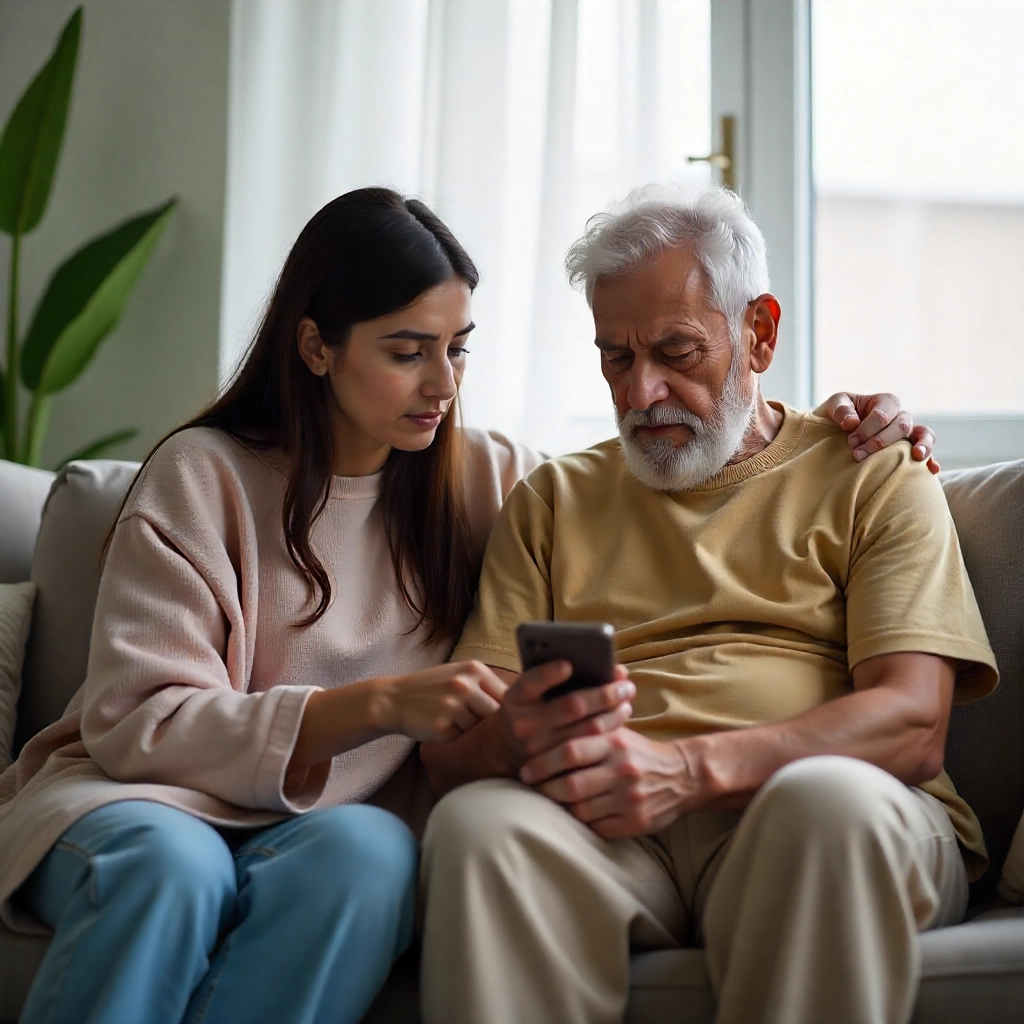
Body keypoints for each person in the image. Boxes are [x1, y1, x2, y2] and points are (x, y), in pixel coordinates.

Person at [0, 186, 933, 1024]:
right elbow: (139, 722)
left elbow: (730, 465)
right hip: (151, 793)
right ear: (317, 346)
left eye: (456, 351)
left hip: (331, 824)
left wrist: (853, 420)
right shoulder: (204, 476)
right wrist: (400, 710)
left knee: (371, 859)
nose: (443, 385)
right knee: (179, 868)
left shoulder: (489, 477)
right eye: (408, 353)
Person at [417, 187, 998, 1024]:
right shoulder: (554, 500)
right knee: (481, 827)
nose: (642, 391)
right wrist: (511, 735)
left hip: (817, 811)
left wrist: (686, 771)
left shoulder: (873, 468)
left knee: (823, 805)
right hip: (614, 835)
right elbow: (448, 757)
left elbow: (912, 724)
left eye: (676, 351)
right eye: (616, 357)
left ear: (759, 331)